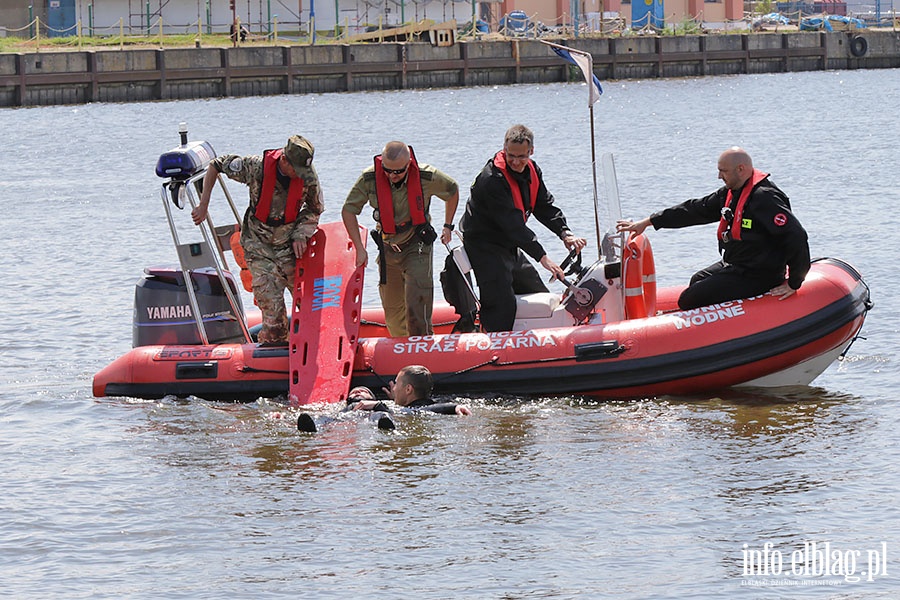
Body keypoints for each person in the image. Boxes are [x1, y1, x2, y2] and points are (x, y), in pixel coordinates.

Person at [616, 147, 810, 311]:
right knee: (696, 280)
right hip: (737, 265)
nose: (719, 176)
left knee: (689, 299)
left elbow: (796, 236)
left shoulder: (764, 198)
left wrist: (794, 282)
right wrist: (649, 221)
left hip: (758, 274)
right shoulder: (731, 193)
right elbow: (693, 210)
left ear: (741, 169)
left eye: (723, 171)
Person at [192, 135, 323, 345]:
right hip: (259, 247)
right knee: (273, 315)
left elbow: (314, 208)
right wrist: (203, 204)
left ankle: (316, 347)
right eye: (296, 170)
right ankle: (274, 355)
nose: (300, 175)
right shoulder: (257, 167)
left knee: (313, 305)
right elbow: (216, 165)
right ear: (284, 161)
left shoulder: (307, 175)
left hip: (290, 247)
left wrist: (301, 233)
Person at [459, 124, 587, 332]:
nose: (516, 162)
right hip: (485, 246)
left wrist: (565, 233)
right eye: (511, 156)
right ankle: (494, 346)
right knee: (501, 304)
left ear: (531, 151)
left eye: (521, 156)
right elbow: (513, 225)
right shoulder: (491, 179)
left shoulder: (532, 170)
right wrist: (544, 258)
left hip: (510, 245)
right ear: (504, 149)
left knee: (538, 291)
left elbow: (544, 206)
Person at [342, 141, 459, 337]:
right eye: (388, 170)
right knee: (393, 313)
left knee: (417, 302)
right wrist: (359, 248)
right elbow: (348, 211)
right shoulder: (369, 179)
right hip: (388, 247)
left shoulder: (426, 176)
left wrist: (447, 226)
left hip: (417, 244)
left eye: (398, 171)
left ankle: (423, 351)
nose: (392, 175)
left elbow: (452, 190)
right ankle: (401, 356)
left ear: (409, 164)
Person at [352, 365, 472, 416]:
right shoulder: (433, 402)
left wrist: (378, 405)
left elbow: (417, 411)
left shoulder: (418, 410)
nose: (393, 387)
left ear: (408, 389)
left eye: (397, 383)